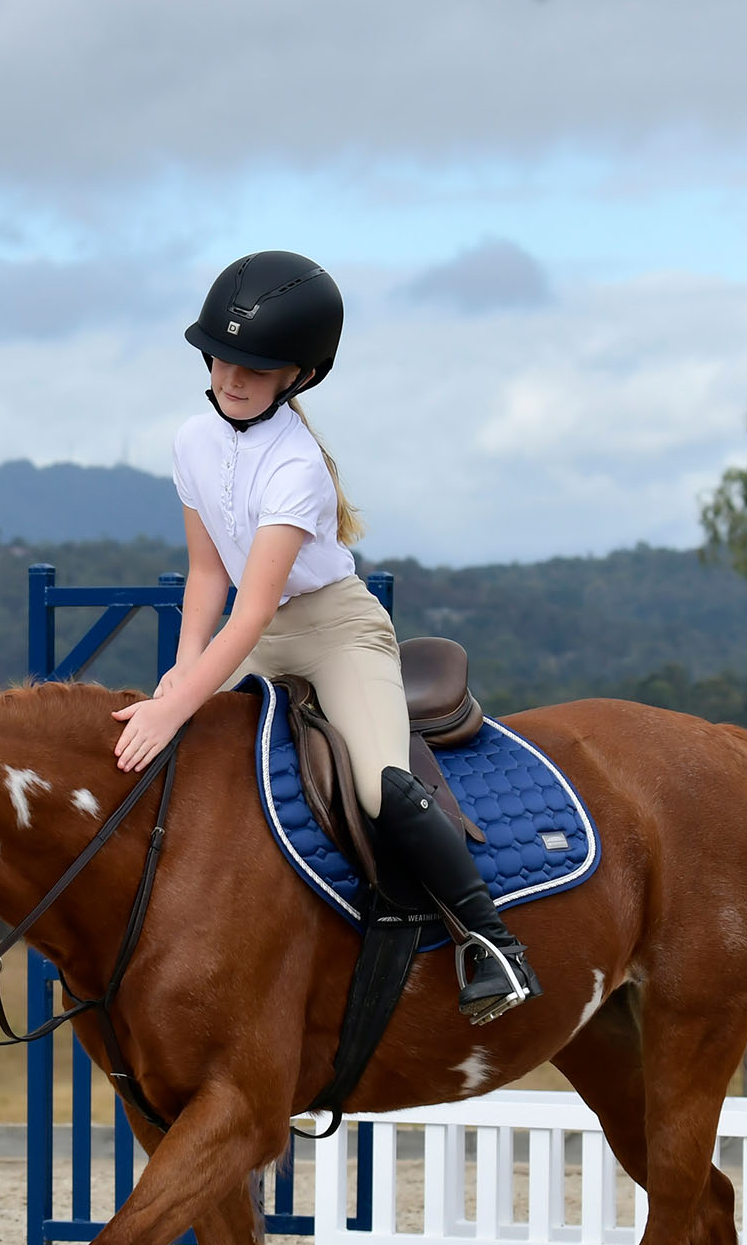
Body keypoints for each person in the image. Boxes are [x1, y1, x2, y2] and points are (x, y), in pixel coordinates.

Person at [112, 250, 540, 1024]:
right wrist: (178, 679)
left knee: (379, 783)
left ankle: (490, 940)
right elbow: (208, 577)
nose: (233, 377)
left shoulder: (298, 465)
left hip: (334, 630)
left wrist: (174, 705)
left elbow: (251, 611)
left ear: (297, 377)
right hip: (255, 631)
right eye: (223, 358)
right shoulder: (190, 441)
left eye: (256, 366)